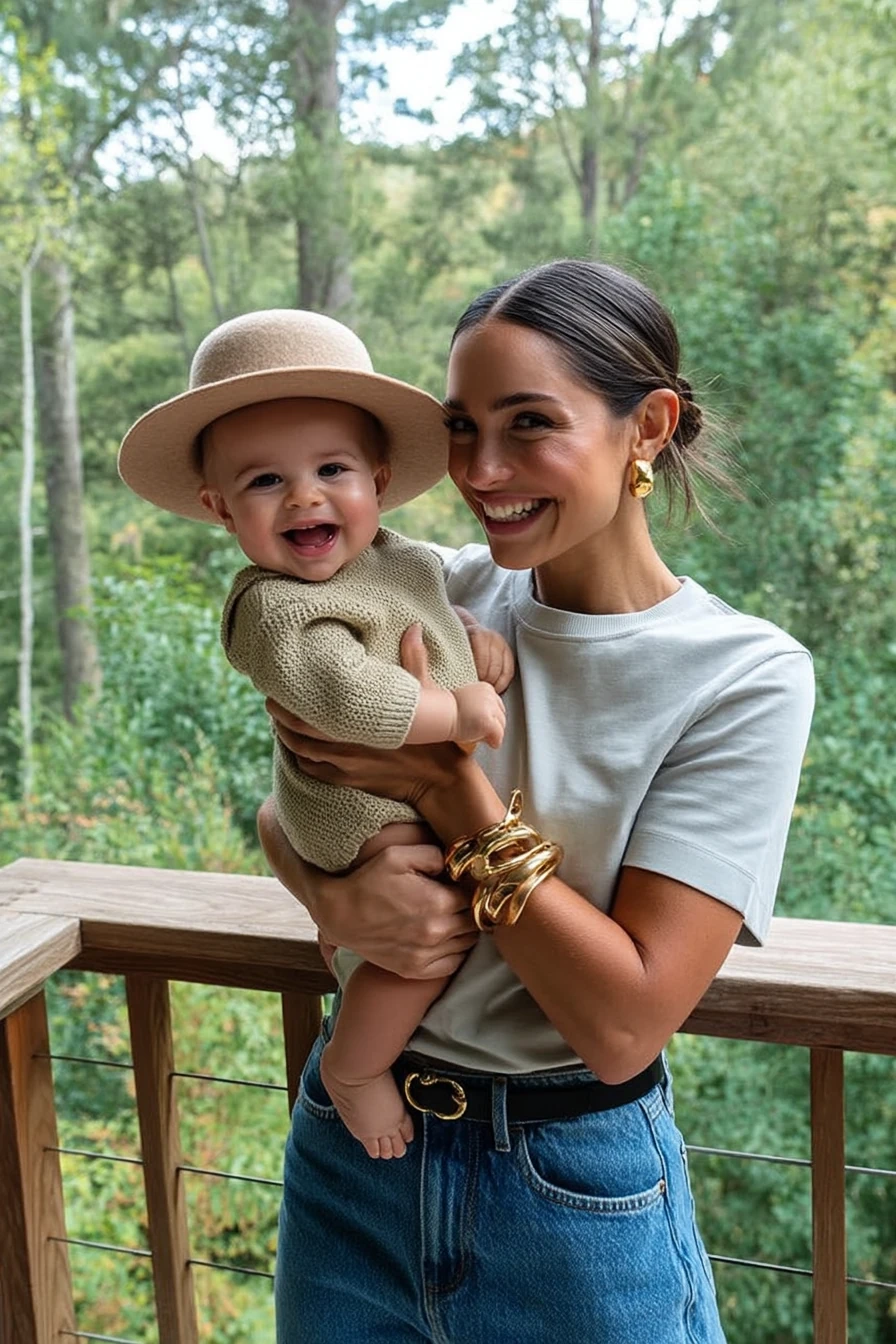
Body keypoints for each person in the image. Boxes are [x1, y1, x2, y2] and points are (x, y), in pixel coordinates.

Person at [258, 259, 815, 1344]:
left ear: (645, 426)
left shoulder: (739, 675)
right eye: (461, 427)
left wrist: (444, 784)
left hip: (571, 1189)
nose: (482, 468)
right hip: (349, 1152)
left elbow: (621, 1021)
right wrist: (337, 902)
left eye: (527, 423)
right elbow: (289, 812)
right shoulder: (433, 590)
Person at [117, 309, 515, 1160]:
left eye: (332, 468)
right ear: (221, 510)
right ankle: (355, 1068)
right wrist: (458, 712)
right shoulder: (274, 606)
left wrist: (472, 639)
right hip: (361, 819)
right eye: (265, 483)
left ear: (377, 480)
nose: (303, 495)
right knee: (424, 944)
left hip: (394, 804)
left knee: (429, 920)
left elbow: (427, 619)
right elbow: (346, 694)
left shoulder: (400, 560)